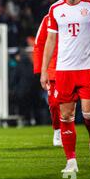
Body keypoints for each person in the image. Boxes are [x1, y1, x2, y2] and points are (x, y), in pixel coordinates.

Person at [40, 0, 90, 173]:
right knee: (66, 117)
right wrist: (45, 70)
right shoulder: (55, 9)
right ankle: (71, 161)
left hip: (88, 69)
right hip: (64, 71)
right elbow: (50, 41)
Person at [33, 14, 62, 146]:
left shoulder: (80, 15)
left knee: (82, 107)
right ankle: (57, 130)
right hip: (53, 69)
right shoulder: (48, 18)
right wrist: (41, 71)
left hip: (75, 66)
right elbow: (38, 43)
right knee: (54, 103)